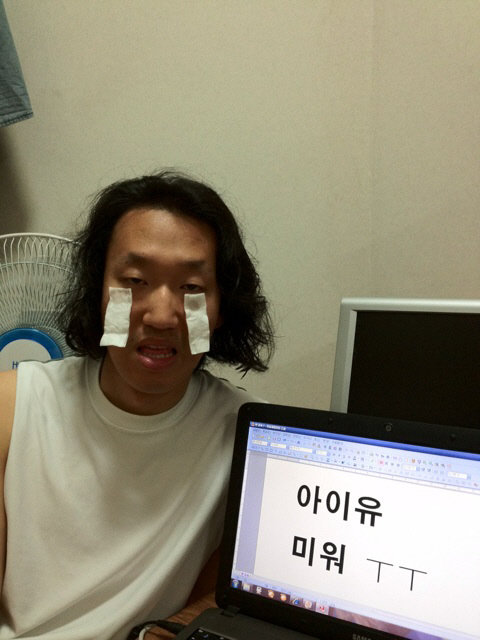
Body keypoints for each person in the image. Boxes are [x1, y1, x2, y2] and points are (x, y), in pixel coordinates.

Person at [0, 171, 274, 640]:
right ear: (97, 290)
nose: (162, 315)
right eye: (134, 280)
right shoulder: (12, 407)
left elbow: (221, 603)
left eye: (192, 288)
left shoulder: (249, 439)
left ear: (220, 308)